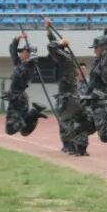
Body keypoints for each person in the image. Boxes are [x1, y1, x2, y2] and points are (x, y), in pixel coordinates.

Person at [45, 20, 89, 156]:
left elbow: (51, 47)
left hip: (69, 97)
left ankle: (76, 147)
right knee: (69, 122)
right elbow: (54, 47)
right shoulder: (63, 59)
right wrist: (49, 31)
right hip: (68, 96)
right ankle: (73, 146)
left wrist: (60, 42)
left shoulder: (66, 60)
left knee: (68, 122)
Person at [3, 32, 46, 136]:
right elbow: (12, 50)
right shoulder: (18, 64)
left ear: (27, 54)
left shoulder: (30, 66)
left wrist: (32, 50)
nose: (21, 54)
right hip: (15, 97)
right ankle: (34, 113)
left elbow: (34, 59)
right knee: (23, 131)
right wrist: (18, 38)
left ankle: (34, 113)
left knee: (11, 129)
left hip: (19, 98)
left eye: (23, 52)